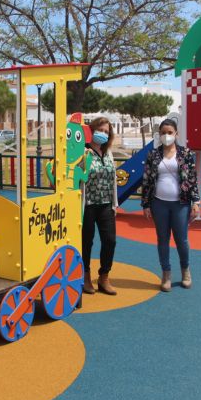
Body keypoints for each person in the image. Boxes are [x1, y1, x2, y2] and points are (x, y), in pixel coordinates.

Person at [141, 119, 200, 292]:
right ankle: (166, 274)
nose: (166, 136)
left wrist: (196, 202)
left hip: (181, 203)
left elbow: (192, 178)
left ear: (176, 134)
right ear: (159, 134)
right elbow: (147, 179)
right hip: (158, 203)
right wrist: (146, 204)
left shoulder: (185, 153)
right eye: (163, 133)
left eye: (169, 132)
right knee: (162, 239)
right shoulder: (153, 154)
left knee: (182, 239)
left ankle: (185, 271)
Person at [82, 117, 118, 296]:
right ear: (92, 130)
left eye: (106, 132)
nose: (103, 134)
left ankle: (104, 276)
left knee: (110, 240)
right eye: (100, 130)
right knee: (86, 242)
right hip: (87, 205)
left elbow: (113, 180)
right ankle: (85, 275)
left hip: (106, 204)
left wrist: (114, 203)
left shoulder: (108, 152)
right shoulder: (83, 151)